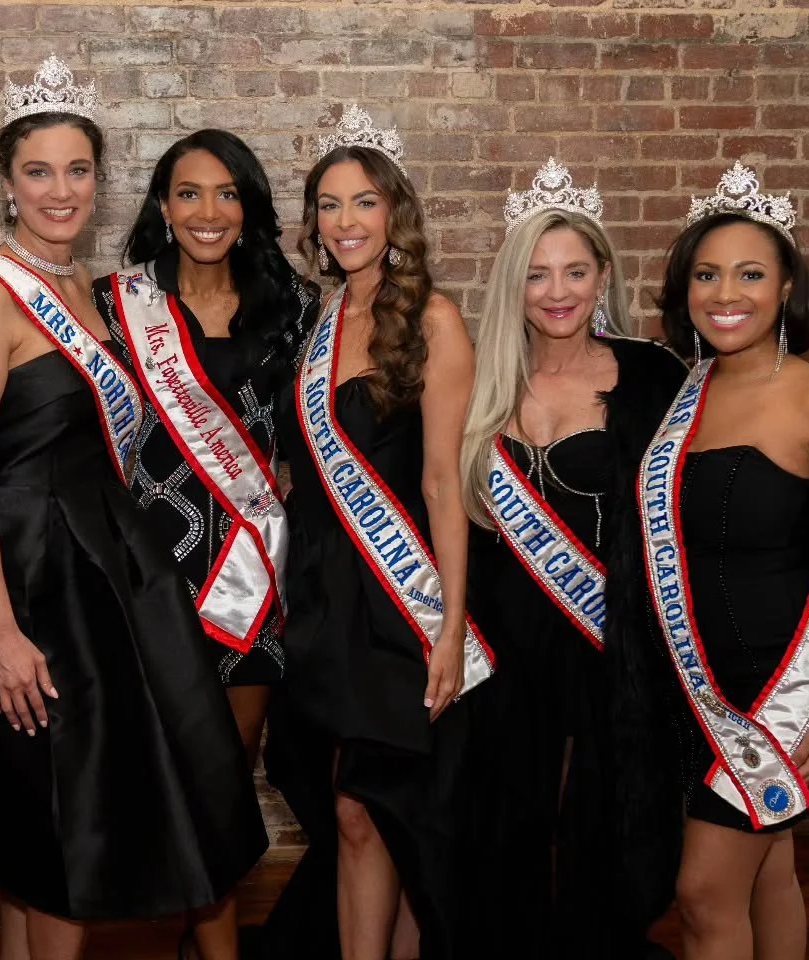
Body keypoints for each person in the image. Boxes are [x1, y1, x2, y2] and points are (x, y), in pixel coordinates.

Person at [0, 56, 267, 960]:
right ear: (6, 183)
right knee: (57, 831)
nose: (60, 190)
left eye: (78, 171)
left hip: (102, 576)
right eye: (39, 172)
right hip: (32, 582)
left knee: (58, 831)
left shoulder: (87, 291)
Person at [643, 162, 809, 960]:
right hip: (692, 686)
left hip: (776, 693)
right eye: (708, 274)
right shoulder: (683, 393)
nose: (728, 292)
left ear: (788, 285)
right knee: (770, 874)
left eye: (751, 273)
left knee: (701, 896)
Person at [263, 105, 491, 960]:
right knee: (354, 813)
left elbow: (444, 484)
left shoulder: (433, 320)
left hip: (401, 600)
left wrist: (451, 628)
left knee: (382, 807)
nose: (345, 221)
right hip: (325, 599)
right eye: (328, 205)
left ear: (394, 214)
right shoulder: (321, 323)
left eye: (364, 203)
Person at [91, 127, 316, 960]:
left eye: (228, 193)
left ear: (250, 207)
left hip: (254, 579)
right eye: (189, 192)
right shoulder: (115, 306)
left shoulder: (294, 307)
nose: (208, 211)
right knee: (168, 780)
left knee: (225, 783)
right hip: (150, 575)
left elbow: (316, 435)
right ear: (162, 205)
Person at [458, 159, 686, 958]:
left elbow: (709, 492)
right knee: (506, 818)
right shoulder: (480, 379)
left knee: (600, 816)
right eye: (537, 275)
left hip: (608, 640)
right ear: (513, 287)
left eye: (575, 272)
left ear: (602, 277)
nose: (557, 292)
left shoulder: (653, 375)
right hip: (503, 644)